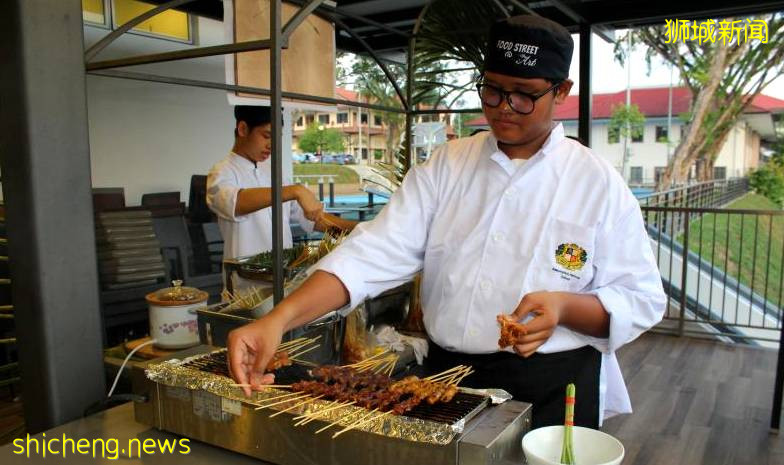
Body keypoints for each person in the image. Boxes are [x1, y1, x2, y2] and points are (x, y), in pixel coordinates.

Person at [226, 16, 666, 428]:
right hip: (448, 378)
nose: (504, 107)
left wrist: (565, 307)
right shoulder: (448, 166)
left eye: (523, 94)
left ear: (561, 91)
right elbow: (371, 252)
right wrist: (278, 320)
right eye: (491, 90)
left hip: (552, 384)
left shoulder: (596, 183)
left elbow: (641, 298)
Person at [207, 105, 356, 290]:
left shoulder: (274, 174)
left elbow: (315, 221)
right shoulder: (222, 173)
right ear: (243, 129)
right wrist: (295, 191)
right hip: (246, 288)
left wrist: (358, 230)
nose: (272, 146)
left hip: (285, 281)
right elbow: (235, 203)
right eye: (267, 136)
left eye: (276, 139)